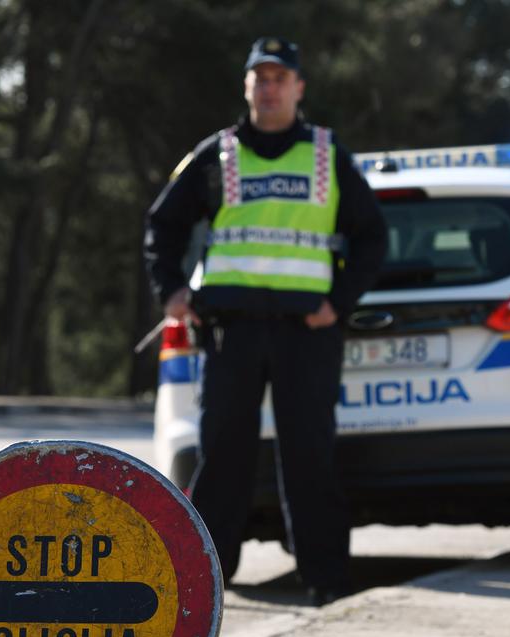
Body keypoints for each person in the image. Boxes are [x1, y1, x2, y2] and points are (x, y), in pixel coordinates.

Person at [144, 37, 387, 605]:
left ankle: (326, 582)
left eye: (281, 77)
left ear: (299, 87)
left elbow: (373, 236)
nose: (270, 86)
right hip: (231, 331)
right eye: (261, 77)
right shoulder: (217, 154)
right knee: (222, 455)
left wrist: (339, 302)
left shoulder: (328, 155)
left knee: (310, 456)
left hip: (308, 331)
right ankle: (204, 584)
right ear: (247, 86)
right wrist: (171, 291)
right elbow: (163, 226)